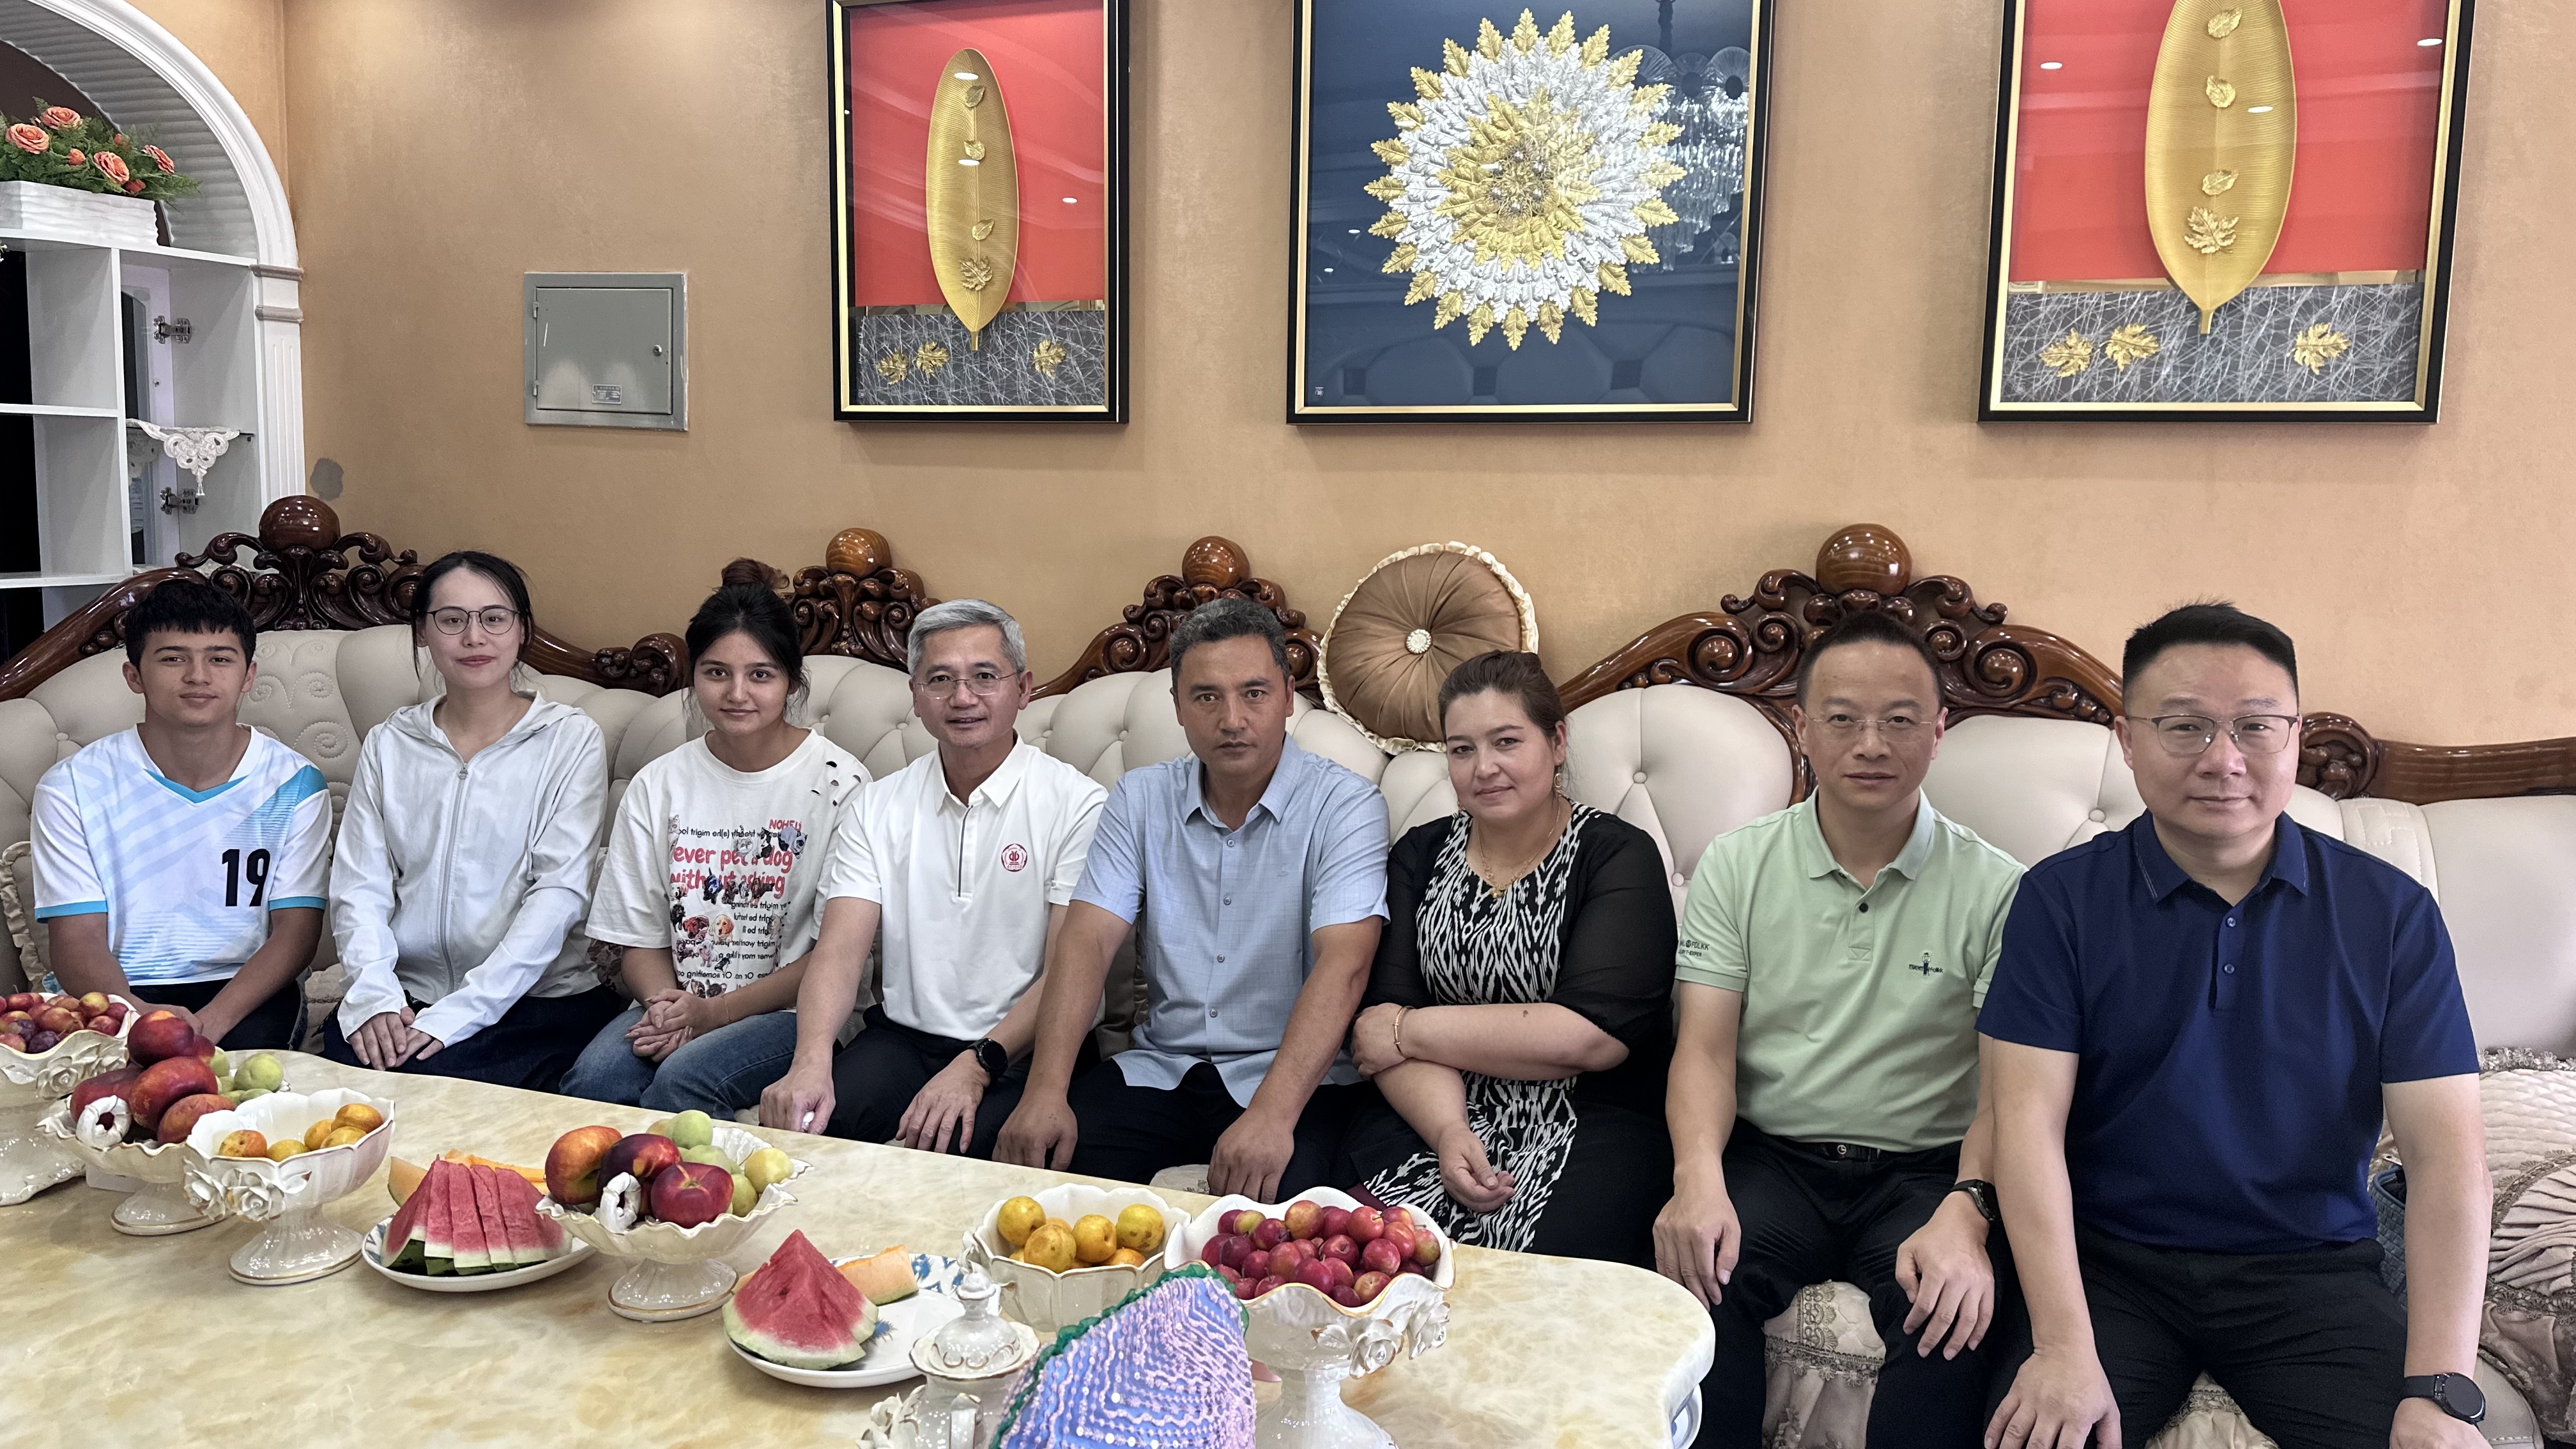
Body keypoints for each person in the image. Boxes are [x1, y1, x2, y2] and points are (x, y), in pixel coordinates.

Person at [1981, 604, 2489, 1449]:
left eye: (2256, 726)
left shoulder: (2391, 913)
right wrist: (2064, 1345)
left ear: (2296, 737)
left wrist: (2440, 1392)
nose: (2223, 759)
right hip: (2109, 1267)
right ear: (2128, 740)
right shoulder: (2059, 900)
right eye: (2185, 726)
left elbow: (2448, 1162)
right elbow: (2025, 1127)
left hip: (2312, 1270)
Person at [1653, 611, 2027, 1448]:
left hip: (1922, 1173)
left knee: (1949, 1313)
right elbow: (1704, 1051)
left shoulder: (2000, 888)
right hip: (1774, 1159)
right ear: (1801, 726)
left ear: (1939, 731)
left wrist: (1969, 1211)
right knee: (1695, 1283)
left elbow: (2009, 1092)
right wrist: (1696, 1178)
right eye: (1843, 718)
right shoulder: (1738, 863)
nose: (1871, 744)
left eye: (1899, 720)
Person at [995, 596, 1388, 1202]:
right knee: (1038, 1187)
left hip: (1294, 1081)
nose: (1232, 719)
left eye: (1254, 693)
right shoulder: (1140, 798)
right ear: (1178, 706)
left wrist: (1271, 1115)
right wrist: (1045, 1090)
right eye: (1206, 697)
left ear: (1288, 697)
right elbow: (1088, 940)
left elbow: (1346, 963)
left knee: (1288, 1222)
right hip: (1161, 1069)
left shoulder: (1346, 806)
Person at [1342, 651, 1675, 1266]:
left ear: (1557, 742)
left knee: (1529, 1285)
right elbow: (1378, 1028)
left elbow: (1589, 1036)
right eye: (1462, 749)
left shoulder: (1616, 855)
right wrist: (1449, 1130)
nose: (1484, 768)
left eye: (1506, 742)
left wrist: (1409, 1030)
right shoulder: (1420, 854)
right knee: (1366, 1261)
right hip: (1431, 1109)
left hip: (1589, 1120)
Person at [758, 599, 1107, 1157]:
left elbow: (1070, 971)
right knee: (806, 1135)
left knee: (966, 1153)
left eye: (985, 676)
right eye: (941, 680)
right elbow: (840, 950)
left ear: (1023, 689)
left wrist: (977, 1064)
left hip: (1025, 1050)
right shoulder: (878, 805)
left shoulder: (1078, 805)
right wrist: (811, 1061)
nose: (963, 698)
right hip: (902, 1041)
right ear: (916, 697)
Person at [560, 562, 866, 1116]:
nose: (737, 693)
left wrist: (713, 1014)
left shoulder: (841, 785)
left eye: (761, 675)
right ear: (693, 676)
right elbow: (639, 938)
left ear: (793, 681)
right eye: (717, 672)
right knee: (594, 1083)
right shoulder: (659, 784)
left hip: (793, 1014)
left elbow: (836, 954)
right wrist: (665, 1009)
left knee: (683, 1082)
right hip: (677, 1003)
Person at [320, 551, 624, 1091]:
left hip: (533, 1000)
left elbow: (558, 892)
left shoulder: (569, 739)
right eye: (452, 619)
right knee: (358, 1079)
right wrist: (373, 996)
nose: (474, 637)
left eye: (494, 618)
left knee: (427, 1085)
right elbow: (360, 885)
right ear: (422, 633)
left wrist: (462, 1013)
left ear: (522, 630)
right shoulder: (391, 743)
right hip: (407, 997)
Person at [31, 576, 327, 1050]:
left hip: (243, 990)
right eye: (173, 658)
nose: (198, 676)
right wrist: (139, 1016)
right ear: (134, 676)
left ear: (248, 675)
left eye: (220, 659)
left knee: (239, 1081)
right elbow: (78, 938)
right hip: (117, 990)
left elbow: (296, 932)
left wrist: (209, 1022)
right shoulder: (72, 787)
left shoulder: (294, 783)